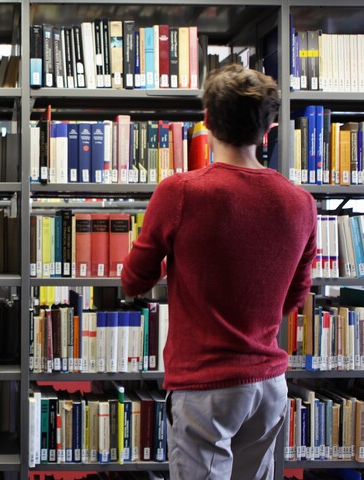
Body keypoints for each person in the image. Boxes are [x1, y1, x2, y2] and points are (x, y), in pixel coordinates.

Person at [120, 64, 317, 480]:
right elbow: (296, 295)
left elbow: (134, 279)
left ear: (206, 120)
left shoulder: (181, 192)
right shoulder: (301, 202)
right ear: (270, 128)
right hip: (269, 385)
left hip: (205, 385)